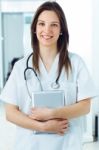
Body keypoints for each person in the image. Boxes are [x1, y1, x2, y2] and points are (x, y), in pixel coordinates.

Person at [0, 1, 96, 150]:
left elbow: (85, 106)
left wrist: (52, 113)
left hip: (66, 143)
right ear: (34, 28)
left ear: (61, 30)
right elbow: (10, 113)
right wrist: (43, 126)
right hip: (30, 144)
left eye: (54, 25)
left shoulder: (76, 63)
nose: (47, 30)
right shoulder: (21, 67)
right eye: (42, 24)